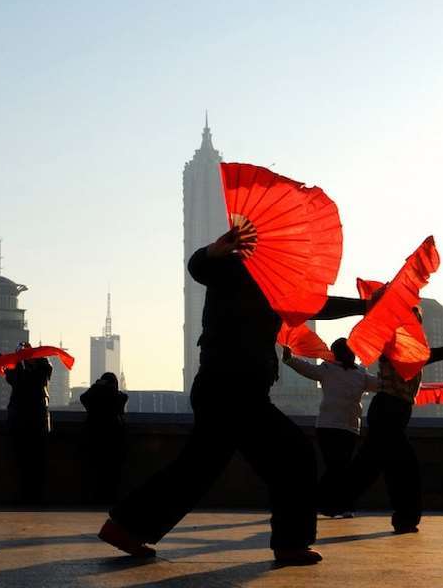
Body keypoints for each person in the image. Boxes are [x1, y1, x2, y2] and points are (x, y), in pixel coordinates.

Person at [99, 226, 371, 565]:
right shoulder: (233, 268)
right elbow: (199, 268)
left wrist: (365, 305)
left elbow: (318, 305)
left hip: (230, 388)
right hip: (232, 388)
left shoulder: (276, 288)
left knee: (199, 467)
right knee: (294, 457)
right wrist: (214, 250)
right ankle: (290, 544)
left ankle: (125, 526)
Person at [333, 316, 443, 533]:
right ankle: (401, 518)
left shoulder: (414, 352)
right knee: (399, 466)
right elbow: (440, 352)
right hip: (387, 412)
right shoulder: (392, 348)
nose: (418, 328)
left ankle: (333, 501)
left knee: (377, 465)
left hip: (395, 412)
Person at [282, 338, 379, 516]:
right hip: (337, 427)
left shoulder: (352, 372)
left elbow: (307, 369)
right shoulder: (345, 371)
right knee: (338, 467)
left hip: (339, 427)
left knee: (337, 467)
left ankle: (327, 505)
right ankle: (338, 505)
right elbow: (380, 385)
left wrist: (290, 359)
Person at [5, 343, 53, 505]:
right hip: (31, 419)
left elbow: (14, 377)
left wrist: (24, 358)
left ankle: (31, 495)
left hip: (28, 419)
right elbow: (13, 377)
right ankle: (30, 494)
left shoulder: (40, 370)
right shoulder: (29, 373)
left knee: (33, 461)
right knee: (27, 461)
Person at [80, 372, 128, 504]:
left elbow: (83, 397)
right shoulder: (117, 397)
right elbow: (123, 397)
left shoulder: (94, 398)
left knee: (97, 471)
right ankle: (110, 498)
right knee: (113, 472)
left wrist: (96, 386)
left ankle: (98, 498)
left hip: (95, 437)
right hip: (114, 438)